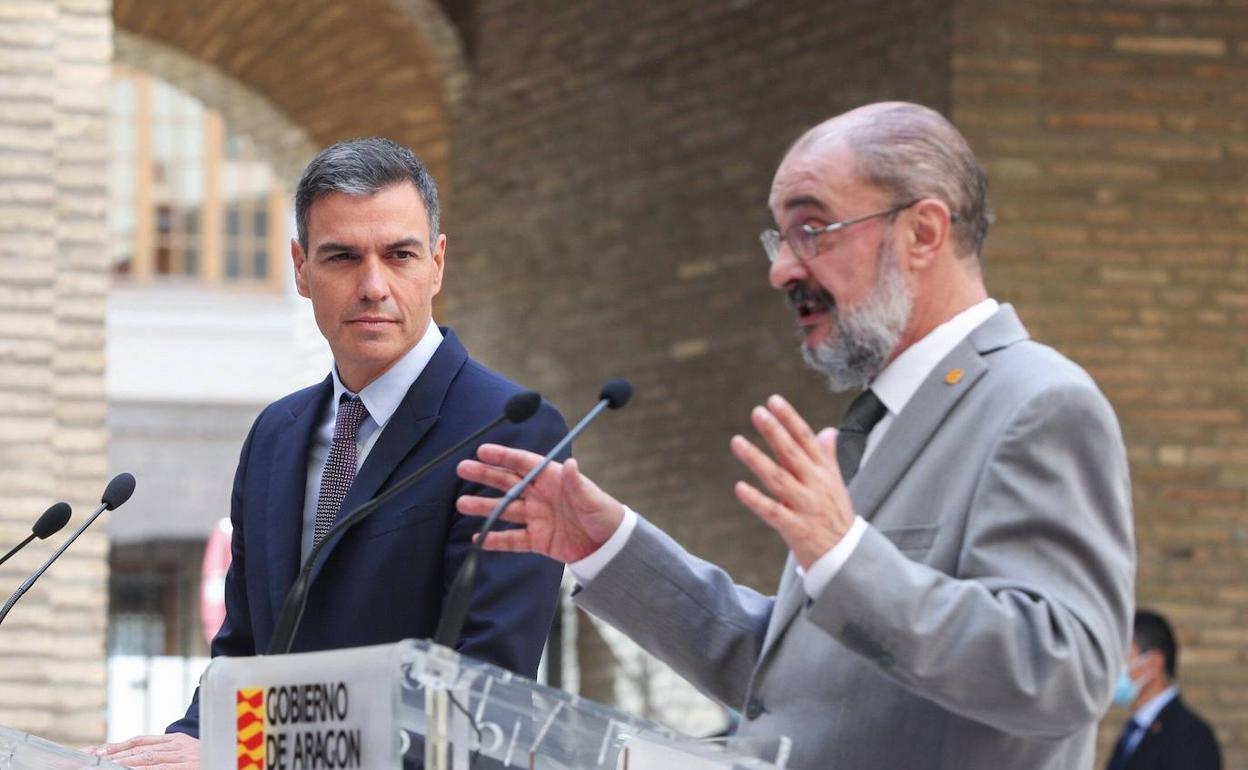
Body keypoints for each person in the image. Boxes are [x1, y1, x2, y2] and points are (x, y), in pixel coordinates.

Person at [456, 102, 1136, 769]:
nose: (783, 269)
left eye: (813, 229)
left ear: (923, 233)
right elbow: (793, 684)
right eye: (780, 239)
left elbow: (1063, 672)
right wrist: (611, 548)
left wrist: (845, 556)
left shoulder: (1038, 403)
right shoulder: (883, 422)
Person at [91, 138, 567, 768]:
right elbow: (244, 654)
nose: (373, 286)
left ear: (437, 263)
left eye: (400, 255)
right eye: (342, 256)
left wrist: (243, 756)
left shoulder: (511, 430)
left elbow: (482, 691)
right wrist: (177, 746)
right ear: (300, 268)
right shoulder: (275, 434)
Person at [1104, 610, 1221, 770]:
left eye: (1121, 658)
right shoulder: (1135, 729)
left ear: (1153, 663)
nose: (1112, 668)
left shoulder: (1190, 736)